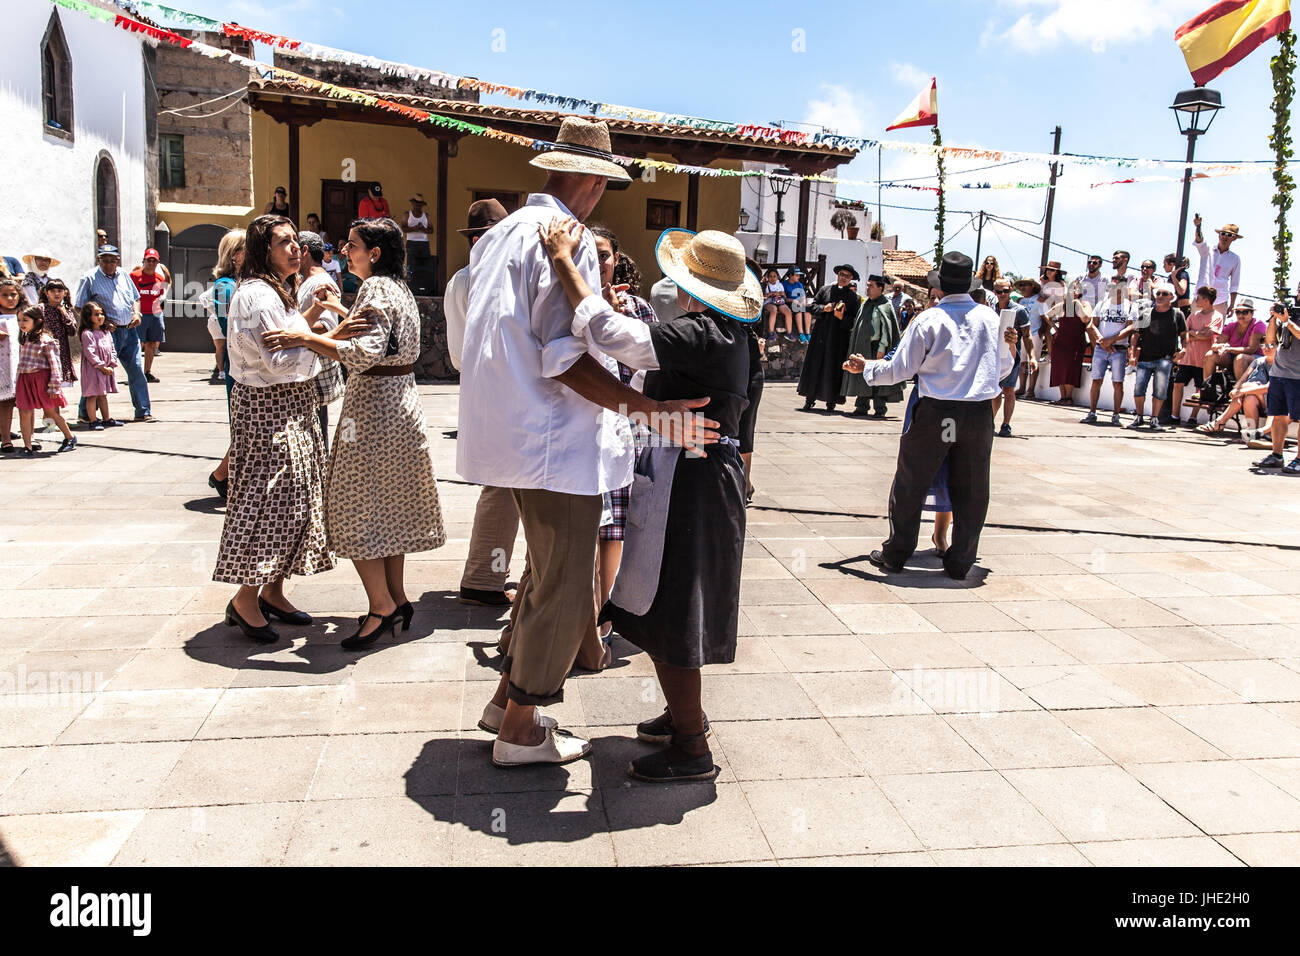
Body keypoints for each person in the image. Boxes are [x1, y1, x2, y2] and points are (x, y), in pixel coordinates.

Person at [457, 117, 717, 767]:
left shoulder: (502, 233)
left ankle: (504, 702)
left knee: (545, 578)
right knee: (568, 587)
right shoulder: (565, 237)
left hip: (510, 435)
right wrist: (645, 407)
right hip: (554, 442)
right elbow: (566, 358)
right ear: (595, 182)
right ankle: (520, 730)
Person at [540, 221, 760, 782]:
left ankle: (691, 747)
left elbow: (617, 337)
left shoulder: (703, 331)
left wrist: (565, 262)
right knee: (677, 599)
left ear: (688, 284)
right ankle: (684, 717)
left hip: (692, 484)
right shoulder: (738, 338)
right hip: (712, 478)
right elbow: (749, 423)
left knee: (673, 606)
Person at [265, 217, 447, 647]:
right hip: (399, 405)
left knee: (353, 507)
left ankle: (381, 606)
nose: (344, 252)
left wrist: (303, 337)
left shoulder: (376, 288)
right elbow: (383, 340)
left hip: (373, 415)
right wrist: (338, 313)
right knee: (387, 510)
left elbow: (363, 353)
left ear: (375, 254)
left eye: (352, 245)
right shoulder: (396, 287)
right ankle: (397, 599)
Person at [213, 215, 356, 642]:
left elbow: (292, 337)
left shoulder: (280, 289)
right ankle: (245, 598)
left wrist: (310, 326)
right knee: (270, 499)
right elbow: (277, 364)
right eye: (283, 243)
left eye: (295, 241)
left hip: (294, 404)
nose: (294, 249)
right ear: (263, 250)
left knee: (300, 498)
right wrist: (318, 343)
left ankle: (273, 589)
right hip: (267, 407)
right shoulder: (257, 296)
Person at [845, 252, 1016, 580]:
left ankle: (897, 553)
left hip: (938, 411)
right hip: (978, 413)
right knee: (973, 488)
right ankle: (961, 559)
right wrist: (1012, 346)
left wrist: (866, 367)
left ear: (940, 286)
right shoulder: (990, 319)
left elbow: (900, 369)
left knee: (911, 482)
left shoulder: (929, 319)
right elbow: (1003, 370)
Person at [589, 224, 658, 666]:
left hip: (625, 426)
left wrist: (618, 321)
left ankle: (604, 615)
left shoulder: (637, 307)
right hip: (578, 430)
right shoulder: (562, 302)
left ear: (617, 259)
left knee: (616, 527)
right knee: (580, 530)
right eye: (589, 254)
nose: (598, 263)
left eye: (605, 255)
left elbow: (652, 364)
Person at [444, 199, 518, 607]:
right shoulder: (482, 281)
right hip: (501, 392)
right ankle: (483, 578)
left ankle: (489, 573)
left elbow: (457, 354)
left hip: (486, 391)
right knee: (504, 487)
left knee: (508, 486)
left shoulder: (464, 280)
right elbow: (463, 352)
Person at [74, 245, 153, 423]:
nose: (109, 263)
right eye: (105, 260)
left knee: (136, 371)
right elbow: (79, 306)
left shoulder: (124, 274)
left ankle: (143, 411)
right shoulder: (89, 278)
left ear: (117, 260)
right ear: (99, 260)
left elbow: (135, 298)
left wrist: (136, 313)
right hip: (107, 333)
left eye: (112, 260)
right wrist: (100, 323)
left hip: (130, 330)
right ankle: (85, 413)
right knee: (98, 372)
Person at [203, 229, 245, 499]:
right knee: (244, 428)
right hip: (238, 367)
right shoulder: (225, 286)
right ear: (235, 255)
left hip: (245, 366)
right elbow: (230, 328)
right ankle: (221, 475)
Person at [13, 306, 76, 455]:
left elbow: (55, 365)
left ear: (38, 321)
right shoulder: (25, 338)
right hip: (25, 379)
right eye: (19, 320)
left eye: (25, 320)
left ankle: (70, 437)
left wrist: (54, 387)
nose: (21, 323)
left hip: (41, 379)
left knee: (51, 412)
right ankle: (27, 446)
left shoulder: (46, 341)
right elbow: (21, 364)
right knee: (24, 411)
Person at [798, 264, 859, 412]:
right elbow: (811, 307)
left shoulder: (853, 298)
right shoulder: (824, 290)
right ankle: (809, 399)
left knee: (833, 369)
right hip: (820, 336)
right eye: (842, 274)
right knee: (815, 367)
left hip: (838, 340)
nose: (844, 278)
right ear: (838, 275)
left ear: (851, 279)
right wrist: (823, 309)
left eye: (847, 276)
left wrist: (842, 317)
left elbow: (854, 320)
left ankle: (831, 402)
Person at [1127, 282, 1186, 431]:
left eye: (1164, 294)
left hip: (1165, 359)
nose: (1160, 296)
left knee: (1160, 391)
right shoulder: (1146, 313)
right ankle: (1139, 417)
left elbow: (1184, 335)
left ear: (1171, 297)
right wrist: (1132, 353)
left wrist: (1184, 349)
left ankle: (1154, 418)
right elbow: (1136, 334)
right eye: (1158, 293)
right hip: (1145, 357)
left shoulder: (1177, 314)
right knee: (1139, 389)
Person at [842, 274, 902, 417]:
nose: (867, 288)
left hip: (879, 347)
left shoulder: (885, 305)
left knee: (879, 377)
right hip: (864, 345)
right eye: (867, 285)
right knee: (863, 375)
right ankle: (861, 407)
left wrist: (882, 348)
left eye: (871, 286)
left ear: (880, 288)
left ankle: (880, 408)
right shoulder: (866, 304)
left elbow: (887, 329)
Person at [1082, 280, 1137, 426]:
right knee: (1096, 381)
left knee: (1118, 383)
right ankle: (1092, 412)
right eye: (1112, 286)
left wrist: (1111, 340)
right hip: (1102, 348)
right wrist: (1102, 341)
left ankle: (1116, 415)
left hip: (1119, 349)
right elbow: (1092, 324)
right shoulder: (1102, 304)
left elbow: (1130, 327)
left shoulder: (1130, 306)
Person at [1255, 302, 1300, 473]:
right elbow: (1270, 339)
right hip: (1279, 373)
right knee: (1278, 415)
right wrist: (1274, 318)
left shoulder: (1290, 318)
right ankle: (1276, 455)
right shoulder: (1291, 313)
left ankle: (1299, 460)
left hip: (1298, 376)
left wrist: (1287, 321)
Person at [1170, 286, 1222, 427]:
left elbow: (1207, 335)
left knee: (1200, 389)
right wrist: (1196, 334)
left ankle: (1193, 418)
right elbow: (1185, 334)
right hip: (1187, 359)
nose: (1196, 300)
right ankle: (1174, 415)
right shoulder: (1193, 315)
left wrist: (1193, 333)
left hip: (1202, 361)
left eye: (1198, 298)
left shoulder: (1217, 316)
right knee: (1178, 384)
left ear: (1206, 300)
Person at [990, 278, 1034, 436]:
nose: (1003, 294)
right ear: (995, 292)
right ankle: (990, 423)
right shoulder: (990, 310)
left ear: (1010, 291)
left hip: (1012, 356)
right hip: (994, 356)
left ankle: (1006, 424)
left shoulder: (1019, 311)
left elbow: (1027, 336)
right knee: (994, 391)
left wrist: (1033, 357)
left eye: (1006, 291)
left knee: (1009, 390)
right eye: (999, 291)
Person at [1196, 350, 1271, 438]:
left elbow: (1269, 388)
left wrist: (1243, 390)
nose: (1266, 348)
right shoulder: (1258, 361)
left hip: (1267, 398)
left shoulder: (1280, 364)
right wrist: (1236, 389)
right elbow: (1242, 379)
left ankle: (1220, 422)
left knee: (1248, 387)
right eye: (1264, 345)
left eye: (1271, 345)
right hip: (1251, 394)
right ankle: (1251, 435)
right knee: (1249, 399)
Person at [1044, 268, 1090, 406]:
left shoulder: (1084, 304)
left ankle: (1069, 397)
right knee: (1060, 368)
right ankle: (1062, 396)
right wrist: (1054, 327)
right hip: (1061, 341)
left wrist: (1076, 304)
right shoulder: (1062, 305)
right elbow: (1047, 315)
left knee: (1071, 368)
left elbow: (1085, 319)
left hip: (1075, 341)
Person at [1202, 298, 1266, 393]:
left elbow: (1251, 349)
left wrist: (1228, 349)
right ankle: (1207, 389)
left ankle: (1240, 392)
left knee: (1240, 359)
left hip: (1256, 360)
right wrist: (1218, 347)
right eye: (1238, 312)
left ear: (1252, 313)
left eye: (1245, 312)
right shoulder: (1232, 325)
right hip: (1234, 357)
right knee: (1210, 355)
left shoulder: (1258, 325)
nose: (1241, 315)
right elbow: (1217, 344)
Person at [129, 249, 170, 383]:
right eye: (149, 260)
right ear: (144, 261)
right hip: (139, 314)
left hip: (155, 314)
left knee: (152, 343)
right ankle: (135, 373)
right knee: (137, 344)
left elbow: (161, 295)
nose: (151, 263)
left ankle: (147, 372)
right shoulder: (134, 276)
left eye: (154, 261)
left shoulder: (160, 278)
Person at [78, 302, 120, 429]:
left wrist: (112, 365)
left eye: (102, 314)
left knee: (103, 394)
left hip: (106, 369)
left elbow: (112, 349)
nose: (100, 317)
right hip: (93, 370)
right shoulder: (87, 334)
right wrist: (101, 366)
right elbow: (89, 352)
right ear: (88, 317)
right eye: (96, 314)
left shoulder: (106, 332)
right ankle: (92, 420)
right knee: (92, 395)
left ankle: (106, 419)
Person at [1194, 215, 1242, 316]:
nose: (1225, 237)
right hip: (1201, 297)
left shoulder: (1235, 259)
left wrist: (1232, 305)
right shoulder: (1207, 250)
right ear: (1219, 235)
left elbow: (1234, 285)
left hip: (1220, 300)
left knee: (1215, 331)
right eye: (1223, 233)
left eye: (1229, 235)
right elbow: (1199, 241)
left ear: (1234, 238)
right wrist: (1198, 226)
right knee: (1193, 328)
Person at [37, 278, 78, 395]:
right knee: (46, 385)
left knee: (57, 390)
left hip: (61, 352)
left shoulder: (66, 310)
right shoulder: (40, 309)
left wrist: (63, 312)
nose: (56, 293)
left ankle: (54, 412)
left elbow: (72, 331)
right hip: (44, 352)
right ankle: (51, 413)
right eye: (53, 291)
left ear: (64, 292)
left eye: (59, 290)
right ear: (46, 292)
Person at [0, 278, 24, 453]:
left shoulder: (24, 314)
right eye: (5, 295)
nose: (10, 298)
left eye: (13, 294)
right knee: (5, 402)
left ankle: (29, 437)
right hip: (2, 366)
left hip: (22, 363)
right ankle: (6, 438)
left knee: (24, 402)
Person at [1015, 276, 1047, 397]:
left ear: (1032, 286)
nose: (1023, 288)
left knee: (1034, 361)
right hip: (1021, 334)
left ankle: (1031, 389)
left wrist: (1041, 332)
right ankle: (1022, 387)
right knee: (1023, 362)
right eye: (1021, 285)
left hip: (1034, 333)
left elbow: (1045, 317)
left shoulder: (1040, 300)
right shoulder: (1019, 301)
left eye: (1026, 285)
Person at [403, 193, 435, 294]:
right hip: (412, 243)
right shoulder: (407, 214)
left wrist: (423, 229)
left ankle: (423, 289)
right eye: (416, 204)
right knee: (411, 268)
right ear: (413, 204)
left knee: (424, 268)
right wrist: (414, 228)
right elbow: (403, 228)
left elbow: (431, 230)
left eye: (420, 204)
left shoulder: (426, 216)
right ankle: (411, 289)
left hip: (424, 243)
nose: (418, 206)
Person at [761, 268, 792, 342]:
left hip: (779, 301)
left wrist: (780, 294)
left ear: (777, 277)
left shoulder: (780, 285)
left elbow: (784, 296)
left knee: (788, 311)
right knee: (773, 309)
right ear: (768, 277)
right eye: (770, 276)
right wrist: (771, 293)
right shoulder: (765, 284)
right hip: (768, 302)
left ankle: (789, 333)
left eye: (774, 276)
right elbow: (763, 296)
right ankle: (771, 332)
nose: (772, 278)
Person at [784, 268, 810, 343]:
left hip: (800, 303)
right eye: (796, 275)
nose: (798, 277)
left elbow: (803, 296)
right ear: (790, 275)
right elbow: (784, 298)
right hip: (790, 303)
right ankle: (801, 334)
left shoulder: (799, 284)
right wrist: (793, 300)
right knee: (798, 310)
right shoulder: (784, 284)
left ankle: (808, 334)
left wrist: (803, 303)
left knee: (808, 310)